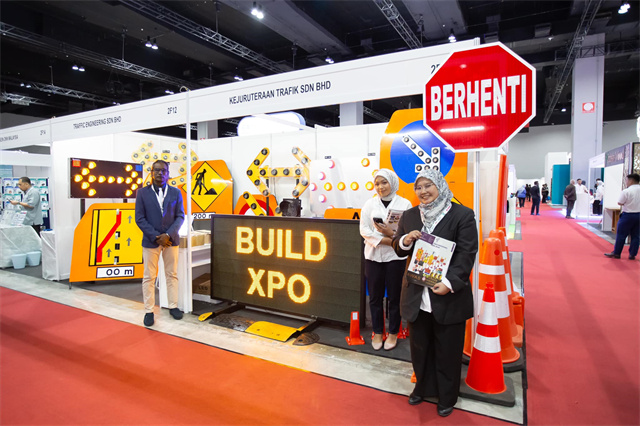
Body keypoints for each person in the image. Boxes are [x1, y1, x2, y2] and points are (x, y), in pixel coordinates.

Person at [392, 169, 478, 417]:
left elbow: (467, 253)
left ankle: (447, 395)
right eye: (418, 187)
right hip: (416, 294)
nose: (423, 191)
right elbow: (398, 247)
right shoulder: (410, 215)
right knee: (420, 347)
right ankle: (423, 387)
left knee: (448, 349)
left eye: (428, 185)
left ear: (440, 185)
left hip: (447, 295)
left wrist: (450, 282)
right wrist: (406, 240)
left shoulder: (462, 215)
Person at [359, 169, 412, 351]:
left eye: (384, 182)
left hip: (396, 257)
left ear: (392, 183)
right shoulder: (369, 204)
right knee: (375, 297)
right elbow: (364, 230)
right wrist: (388, 241)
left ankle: (393, 332)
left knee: (395, 297)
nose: (380, 187)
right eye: (377, 183)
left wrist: (394, 239)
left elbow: (407, 231)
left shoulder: (405, 204)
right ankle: (377, 332)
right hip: (373, 257)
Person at [135, 160, 185, 327]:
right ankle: (149, 311)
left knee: (172, 274)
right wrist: (157, 236)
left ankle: (173, 306)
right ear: (151, 172)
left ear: (168, 173)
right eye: (157, 170)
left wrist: (168, 235)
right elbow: (139, 218)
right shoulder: (142, 193)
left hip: (171, 241)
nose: (160, 173)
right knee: (149, 277)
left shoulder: (176, 192)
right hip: (151, 241)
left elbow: (180, 216)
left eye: (163, 170)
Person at [604, 173, 640, 260]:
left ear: (631, 180)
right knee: (636, 235)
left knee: (621, 235)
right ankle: (632, 254)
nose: (626, 182)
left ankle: (617, 253)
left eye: (626, 180)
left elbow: (620, 202)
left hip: (627, 215)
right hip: (638, 215)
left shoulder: (626, 191)